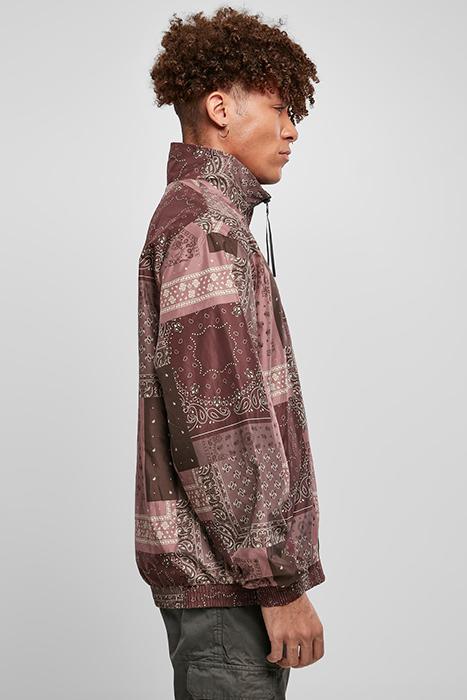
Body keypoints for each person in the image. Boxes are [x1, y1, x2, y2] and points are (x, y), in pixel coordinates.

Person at [134, 7, 326, 698]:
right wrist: (278, 584)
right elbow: (221, 425)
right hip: (230, 587)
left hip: (225, 580)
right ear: (220, 109)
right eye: (280, 109)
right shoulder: (205, 227)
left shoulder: (204, 219)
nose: (292, 129)